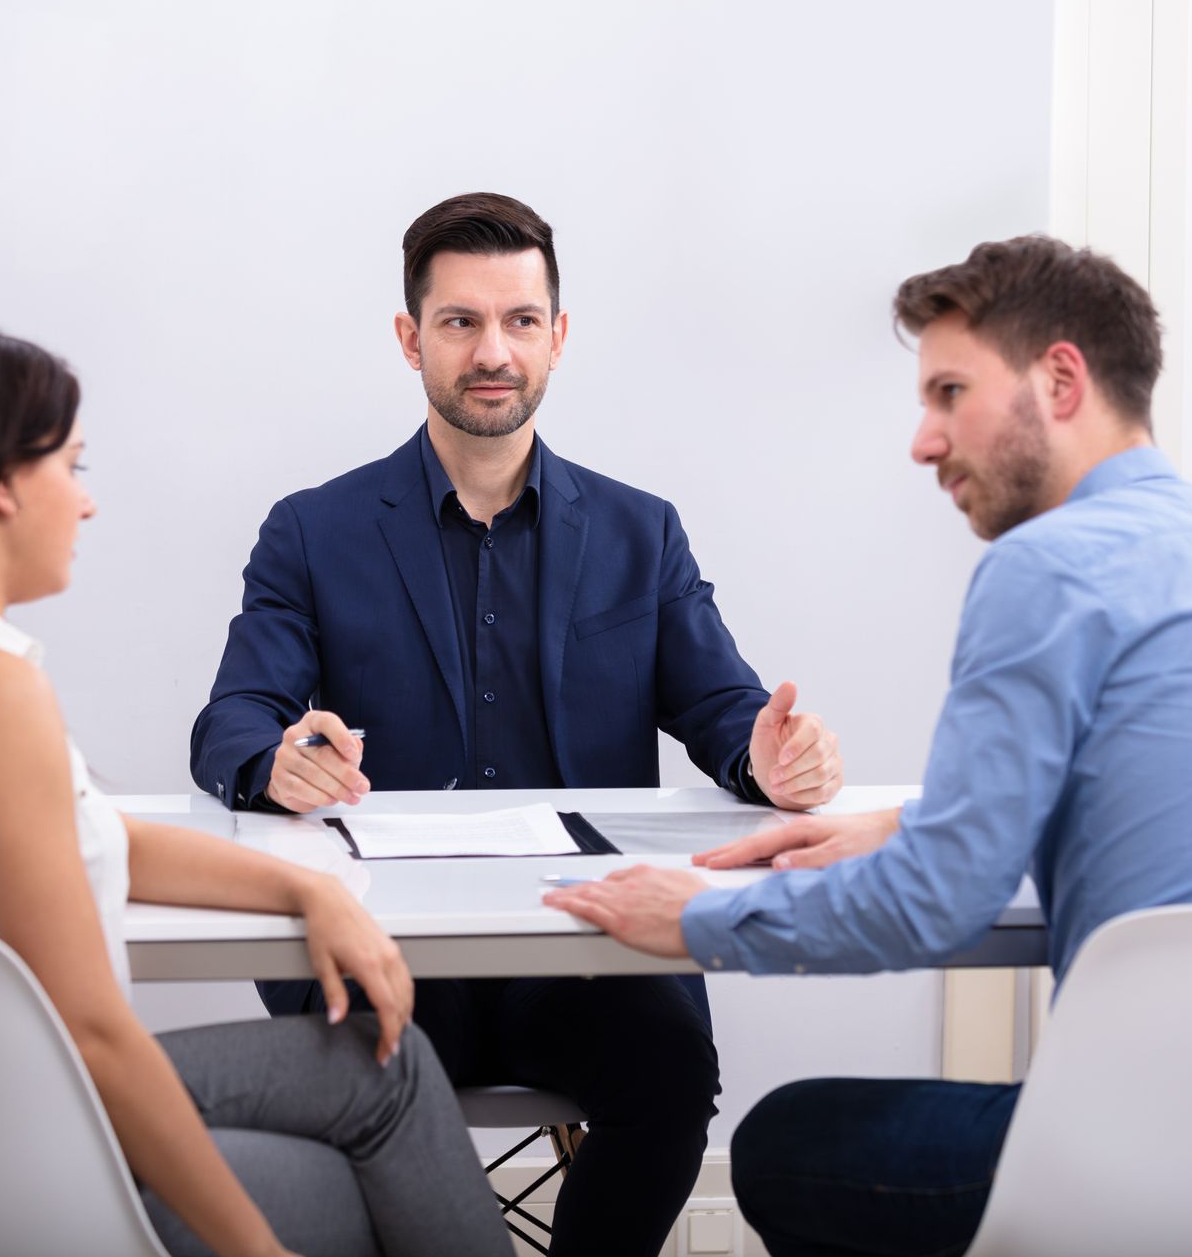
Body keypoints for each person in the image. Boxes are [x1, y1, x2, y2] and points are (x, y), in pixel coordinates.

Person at [542, 235, 1192, 1257]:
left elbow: (935, 904)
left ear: (1061, 379)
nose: (924, 440)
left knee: (785, 1141)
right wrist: (915, 822)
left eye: (949, 392)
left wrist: (703, 916)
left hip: (1147, 1161)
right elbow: (1170, 771)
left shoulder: (1048, 566)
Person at [191, 192, 845, 1256]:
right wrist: (276, 761)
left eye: (520, 320)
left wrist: (765, 756)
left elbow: (725, 704)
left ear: (558, 335)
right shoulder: (314, 530)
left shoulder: (641, 530)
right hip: (378, 945)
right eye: (460, 321)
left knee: (671, 1068)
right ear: (412, 339)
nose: (493, 350)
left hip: (582, 950)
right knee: (348, 1099)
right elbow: (232, 722)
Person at [0, 327, 511, 1257]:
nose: (88, 502)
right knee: (374, 1147)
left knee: (380, 1066)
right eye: (73, 463)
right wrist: (254, 1250)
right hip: (6, 1142)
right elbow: (94, 1037)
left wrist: (308, 890)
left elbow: (96, 838)